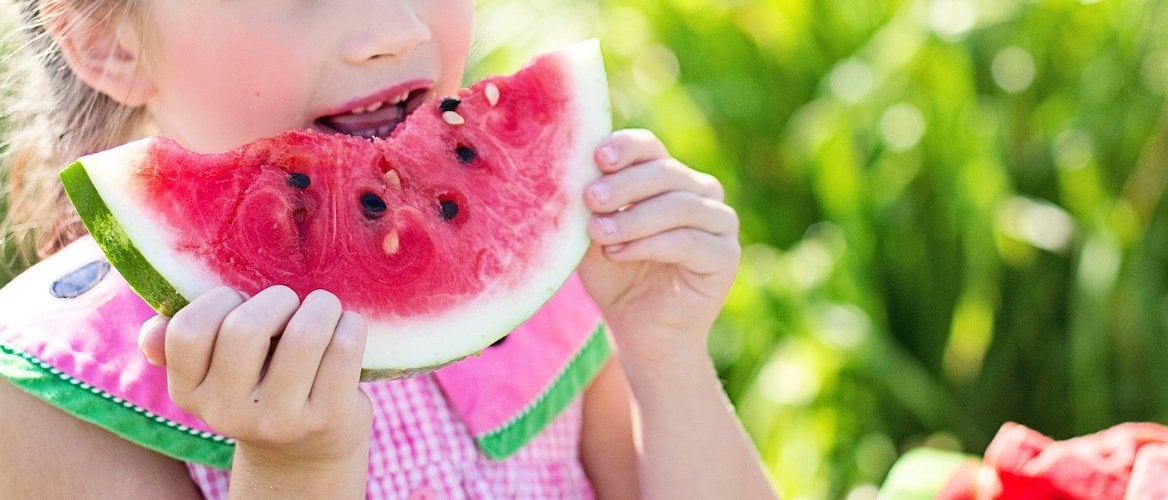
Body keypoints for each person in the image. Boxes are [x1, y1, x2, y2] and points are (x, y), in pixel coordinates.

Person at [0, 0, 777, 498]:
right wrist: (295, 471)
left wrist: (666, 356)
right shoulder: (51, 395)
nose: (398, 30)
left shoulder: (539, 286)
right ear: (106, 43)